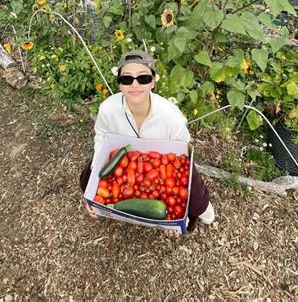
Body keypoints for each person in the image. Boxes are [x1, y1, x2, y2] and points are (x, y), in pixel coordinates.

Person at [79, 50, 215, 235]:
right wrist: (96, 173)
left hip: (164, 166)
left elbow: (183, 154)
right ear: (119, 83)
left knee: (198, 202)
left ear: (153, 81)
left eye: (143, 78)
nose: (135, 84)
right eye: (127, 79)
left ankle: (202, 214)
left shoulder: (171, 116)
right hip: (127, 163)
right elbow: (101, 136)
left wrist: (173, 214)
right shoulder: (108, 109)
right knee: (86, 179)